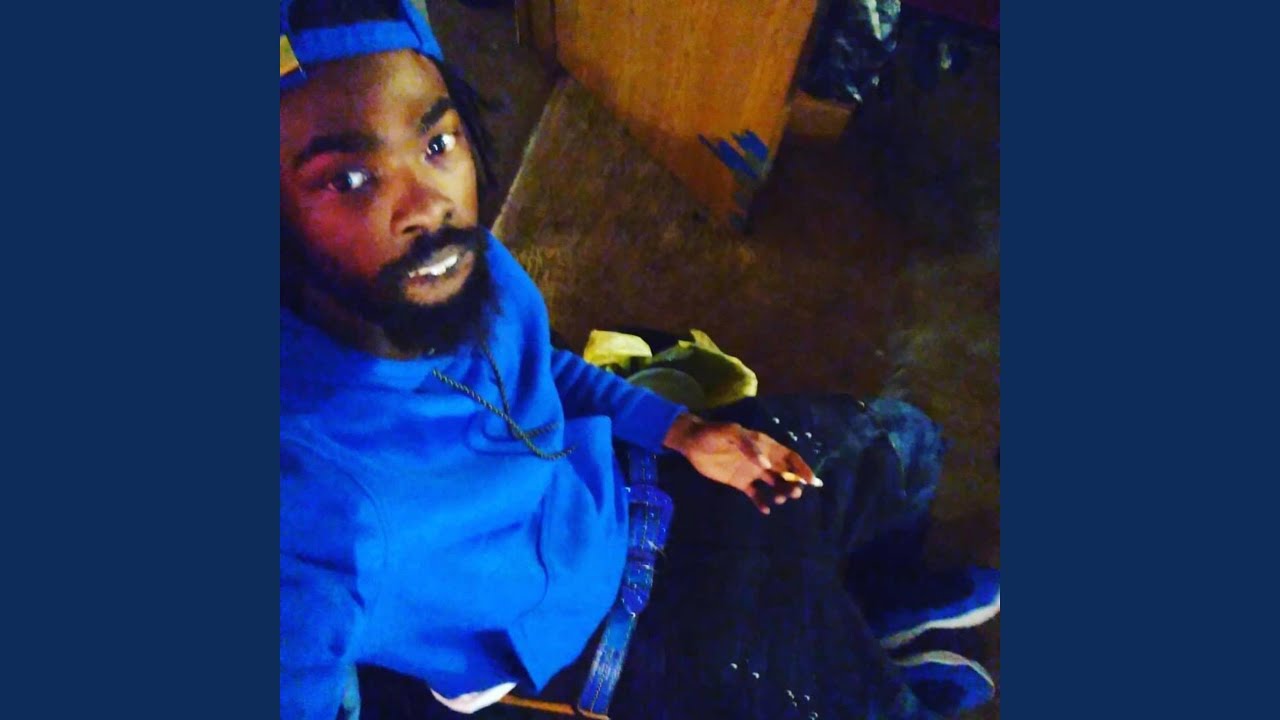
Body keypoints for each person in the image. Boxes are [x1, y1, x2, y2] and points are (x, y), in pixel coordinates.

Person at [278, 1, 1000, 718]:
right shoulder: (310, 505)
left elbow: (538, 365)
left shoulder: (452, 267)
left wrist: (683, 430)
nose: (428, 204)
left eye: (437, 143)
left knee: (900, 446)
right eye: (349, 180)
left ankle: (879, 617)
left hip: (637, 492)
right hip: (623, 646)